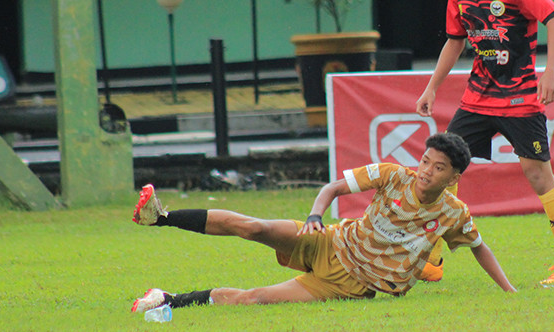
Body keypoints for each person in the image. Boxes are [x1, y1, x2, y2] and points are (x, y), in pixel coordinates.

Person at [129, 132, 515, 313]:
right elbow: (332, 188)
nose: (426, 171)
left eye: (438, 167)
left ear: (454, 177)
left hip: (347, 283)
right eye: (426, 161)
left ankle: (168, 300)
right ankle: (160, 217)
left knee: (256, 298)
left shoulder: (452, 213)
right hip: (328, 239)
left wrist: (510, 291)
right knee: (255, 227)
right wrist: (315, 216)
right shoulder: (393, 174)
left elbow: (480, 247)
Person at [415, 0, 554, 288]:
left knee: (537, 173)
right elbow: (454, 42)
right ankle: (432, 259)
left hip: (520, 97)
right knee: (442, 168)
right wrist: (431, 88)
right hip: (476, 99)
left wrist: (551, 71)